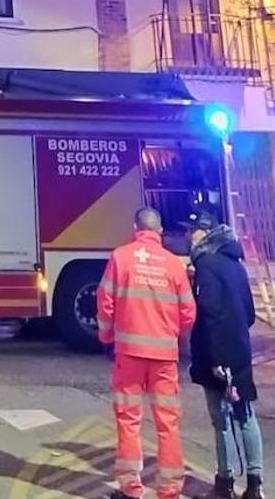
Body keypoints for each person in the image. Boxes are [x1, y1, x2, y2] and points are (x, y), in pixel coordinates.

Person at [98, 206, 197, 499]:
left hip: (128, 354)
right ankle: (169, 489)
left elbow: (105, 303)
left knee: (128, 419)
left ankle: (131, 487)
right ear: (160, 231)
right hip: (164, 357)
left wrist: (107, 335)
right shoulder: (173, 264)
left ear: (135, 228)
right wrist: (173, 335)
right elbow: (188, 311)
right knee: (168, 422)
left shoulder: (121, 257)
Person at [188, 216, 265, 499]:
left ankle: (225, 482)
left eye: (194, 236)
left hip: (216, 354)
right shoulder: (236, 265)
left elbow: (208, 312)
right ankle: (255, 485)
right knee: (246, 417)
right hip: (241, 352)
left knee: (221, 422)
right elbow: (249, 313)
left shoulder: (206, 265)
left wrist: (218, 359)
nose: (190, 241)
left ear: (206, 238)